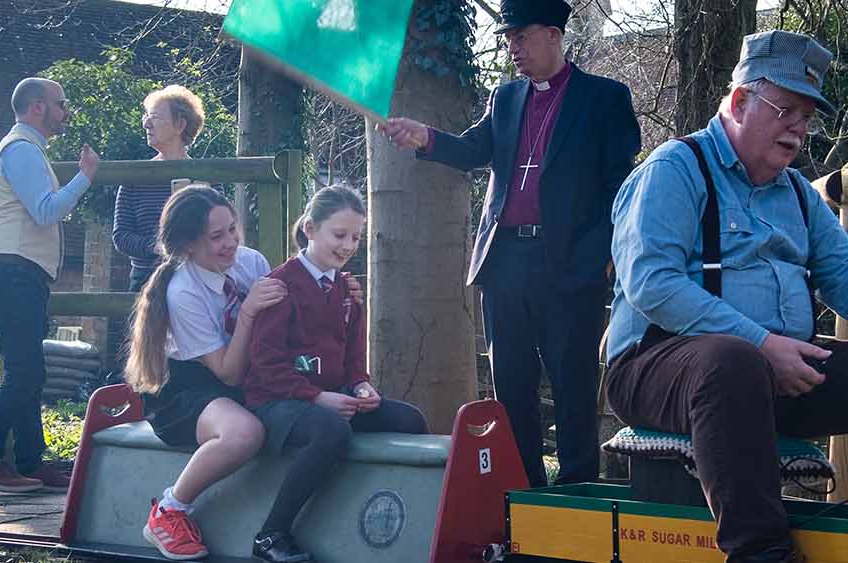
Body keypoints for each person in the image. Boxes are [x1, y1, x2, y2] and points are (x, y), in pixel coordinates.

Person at [604, 31, 848, 562]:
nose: (798, 129)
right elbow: (653, 284)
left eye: (807, 116)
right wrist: (761, 343)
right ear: (741, 101)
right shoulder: (674, 171)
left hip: (768, 372)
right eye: (786, 110)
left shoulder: (797, 193)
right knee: (730, 360)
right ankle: (761, 553)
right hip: (655, 365)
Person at [376, 0, 640, 487]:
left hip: (570, 265)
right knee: (512, 386)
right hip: (504, 262)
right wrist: (426, 139)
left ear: (553, 35)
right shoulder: (506, 98)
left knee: (572, 383)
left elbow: (620, 189)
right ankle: (524, 494)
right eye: (507, 38)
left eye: (521, 36)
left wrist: (600, 259)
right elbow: (475, 149)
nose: (511, 47)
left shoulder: (605, 98)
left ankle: (577, 491)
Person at [241, 185, 429, 563]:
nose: (347, 245)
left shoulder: (346, 289)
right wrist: (317, 398)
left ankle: (385, 523)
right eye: (339, 235)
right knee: (331, 429)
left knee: (409, 419)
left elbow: (352, 356)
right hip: (279, 401)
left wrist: (361, 385)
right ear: (310, 229)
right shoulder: (281, 286)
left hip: (333, 398)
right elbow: (265, 365)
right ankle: (270, 534)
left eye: (356, 237)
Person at [123, 186, 286, 560]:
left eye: (232, 229)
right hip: (186, 389)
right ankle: (169, 510)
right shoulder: (184, 292)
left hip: (244, 373)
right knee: (244, 433)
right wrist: (247, 313)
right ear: (188, 246)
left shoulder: (251, 263)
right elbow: (227, 373)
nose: (231, 241)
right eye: (217, 236)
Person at [0, 77, 100, 493]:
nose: (66, 112)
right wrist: (85, 177)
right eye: (61, 104)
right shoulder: (21, 150)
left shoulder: (23, 150)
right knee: (23, 374)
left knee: (28, 372)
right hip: (13, 276)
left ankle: (28, 462)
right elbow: (45, 212)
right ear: (37, 107)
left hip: (14, 274)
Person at [114, 85, 207, 291]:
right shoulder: (134, 177)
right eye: (146, 116)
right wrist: (158, 248)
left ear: (180, 124)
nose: (146, 123)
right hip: (145, 281)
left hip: (196, 280)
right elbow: (121, 236)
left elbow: (215, 230)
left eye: (154, 117)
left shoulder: (205, 176)